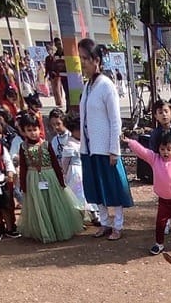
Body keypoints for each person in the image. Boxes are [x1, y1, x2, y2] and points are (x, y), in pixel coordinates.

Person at [76, 39, 132, 241]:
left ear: (96, 60)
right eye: (80, 58)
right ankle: (104, 223)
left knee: (112, 187)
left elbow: (115, 121)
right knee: (95, 187)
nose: (82, 63)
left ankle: (117, 225)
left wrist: (114, 149)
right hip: (89, 148)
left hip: (105, 148)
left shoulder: (106, 86)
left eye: (85, 59)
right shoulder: (87, 86)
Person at [125, 129, 171, 256]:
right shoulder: (155, 160)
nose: (165, 152)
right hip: (163, 201)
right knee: (160, 224)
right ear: (158, 149)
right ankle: (159, 244)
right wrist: (131, 142)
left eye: (168, 149)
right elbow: (142, 152)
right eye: (162, 149)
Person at [15, 112, 84, 244]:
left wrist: (60, 180)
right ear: (23, 131)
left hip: (50, 176)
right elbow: (23, 167)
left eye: (34, 129)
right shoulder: (23, 147)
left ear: (39, 129)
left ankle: (58, 228)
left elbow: (54, 163)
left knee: (54, 203)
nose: (32, 133)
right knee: (39, 205)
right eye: (29, 130)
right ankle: (44, 231)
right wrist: (23, 185)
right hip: (33, 178)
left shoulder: (46, 144)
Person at [48, 109, 91, 226]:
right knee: (75, 194)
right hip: (70, 171)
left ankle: (92, 214)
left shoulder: (74, 137)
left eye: (58, 124)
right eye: (53, 125)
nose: (56, 127)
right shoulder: (54, 141)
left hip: (81, 168)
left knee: (84, 193)